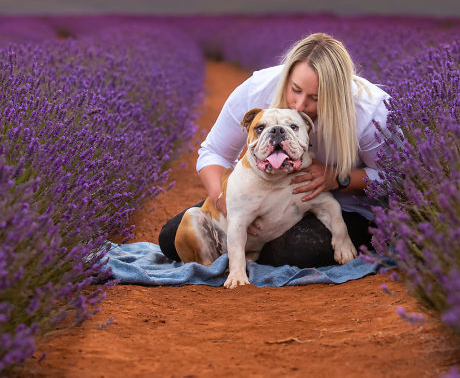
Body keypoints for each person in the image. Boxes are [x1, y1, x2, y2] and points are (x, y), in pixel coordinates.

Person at [158, 32, 390, 268]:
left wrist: (340, 178)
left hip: (344, 206)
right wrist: (222, 201)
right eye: (295, 89)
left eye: (316, 98)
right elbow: (214, 152)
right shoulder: (258, 88)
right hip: (263, 196)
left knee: (296, 252)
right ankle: (246, 252)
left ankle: (250, 255)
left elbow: (396, 179)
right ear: (287, 76)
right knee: (172, 237)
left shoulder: (372, 111)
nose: (300, 105)